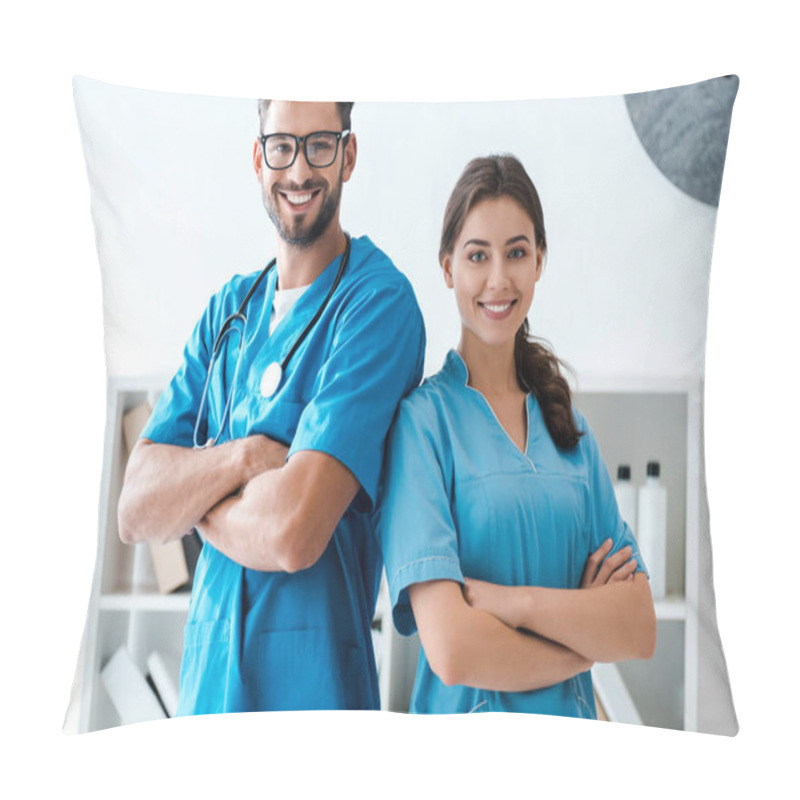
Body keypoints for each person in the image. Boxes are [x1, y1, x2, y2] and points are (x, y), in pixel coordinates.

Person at [117, 100, 426, 714]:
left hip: (314, 696)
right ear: (259, 158)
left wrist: (195, 504)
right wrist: (248, 459)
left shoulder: (376, 305)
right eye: (282, 145)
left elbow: (292, 533)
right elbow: (135, 510)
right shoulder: (228, 313)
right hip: (206, 695)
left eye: (320, 146)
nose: (299, 170)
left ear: (349, 155)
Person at [375, 155, 655, 717]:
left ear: (540, 262)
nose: (498, 279)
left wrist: (514, 604)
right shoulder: (423, 425)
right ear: (448, 266)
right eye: (478, 255)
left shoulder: (568, 430)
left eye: (517, 253)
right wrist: (579, 643)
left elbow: (638, 626)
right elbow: (453, 651)